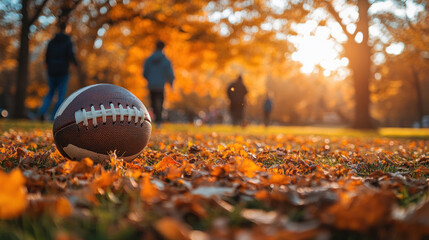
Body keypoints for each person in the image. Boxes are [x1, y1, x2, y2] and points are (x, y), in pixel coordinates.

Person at [39, 21, 78, 121]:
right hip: (63, 71)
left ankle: (42, 112)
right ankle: (55, 117)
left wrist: (48, 68)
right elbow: (70, 54)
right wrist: (76, 64)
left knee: (50, 93)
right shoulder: (67, 40)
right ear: (66, 28)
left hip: (52, 70)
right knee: (61, 95)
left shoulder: (52, 41)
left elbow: (46, 57)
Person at [143, 40, 175, 128]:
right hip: (161, 85)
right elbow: (170, 73)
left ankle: (155, 119)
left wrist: (150, 79)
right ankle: (159, 121)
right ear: (163, 48)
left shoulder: (149, 60)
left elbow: (145, 73)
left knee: (153, 103)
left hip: (151, 85)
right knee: (160, 103)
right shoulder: (166, 61)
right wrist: (171, 83)